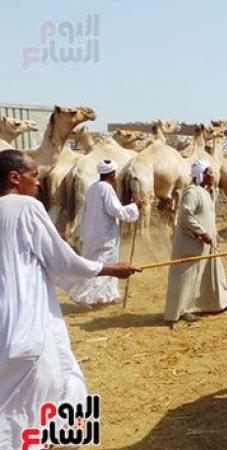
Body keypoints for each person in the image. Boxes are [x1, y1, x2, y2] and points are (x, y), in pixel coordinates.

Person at [0, 149, 139, 449]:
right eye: (34, 176)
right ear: (14, 178)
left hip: (4, 327)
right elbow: (62, 261)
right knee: (59, 387)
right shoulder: (26, 207)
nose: (38, 184)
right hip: (30, 322)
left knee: (10, 405)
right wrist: (109, 269)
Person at [164, 160, 227, 329]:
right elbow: (185, 216)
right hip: (191, 243)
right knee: (186, 276)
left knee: (210, 272)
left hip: (206, 243)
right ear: (201, 174)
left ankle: (217, 302)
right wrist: (201, 232)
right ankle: (180, 311)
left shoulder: (204, 191)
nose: (213, 175)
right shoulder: (191, 192)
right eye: (210, 172)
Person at [69, 159, 142, 306]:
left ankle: (109, 295)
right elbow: (116, 211)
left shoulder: (93, 188)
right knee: (105, 265)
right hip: (104, 237)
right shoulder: (106, 189)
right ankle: (88, 297)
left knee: (98, 264)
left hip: (91, 235)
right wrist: (135, 207)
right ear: (113, 174)